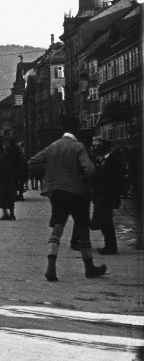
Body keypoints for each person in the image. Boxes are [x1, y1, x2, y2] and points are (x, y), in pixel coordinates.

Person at [28, 116, 106, 282]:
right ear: (75, 130)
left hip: (58, 193)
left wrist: (51, 171)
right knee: (83, 230)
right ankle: (89, 267)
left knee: (57, 228)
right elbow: (90, 170)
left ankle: (51, 266)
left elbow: (33, 162)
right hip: (77, 193)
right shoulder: (78, 147)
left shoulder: (53, 146)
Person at [90, 140, 125, 255]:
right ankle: (109, 245)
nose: (97, 149)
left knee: (106, 221)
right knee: (105, 220)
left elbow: (116, 179)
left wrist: (116, 195)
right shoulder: (103, 159)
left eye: (99, 147)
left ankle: (111, 247)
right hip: (102, 195)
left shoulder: (114, 160)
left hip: (107, 195)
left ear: (105, 148)